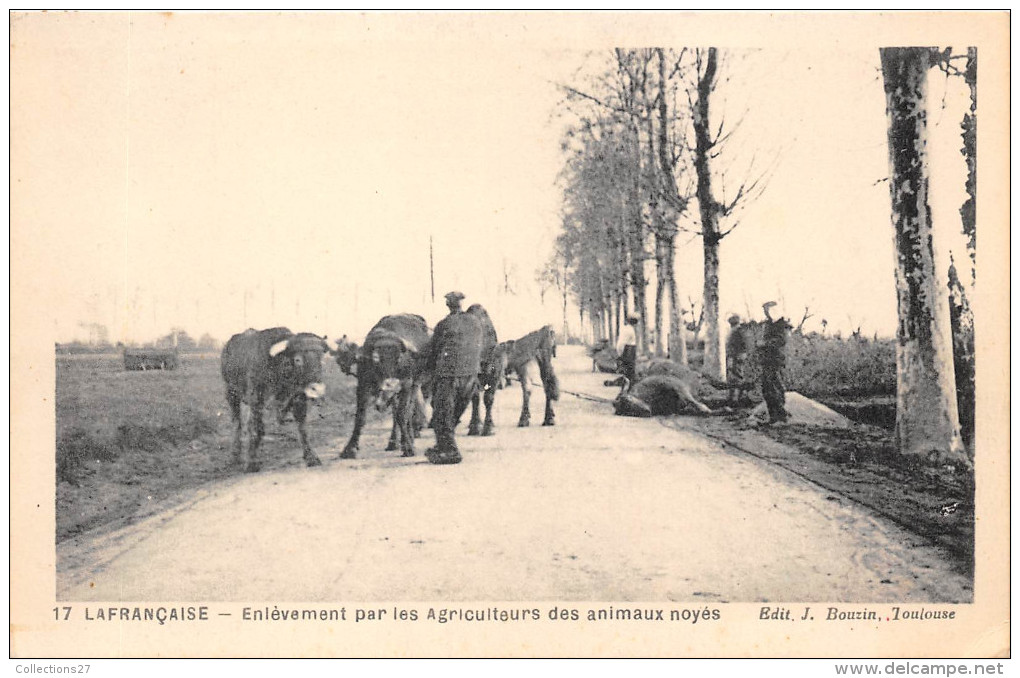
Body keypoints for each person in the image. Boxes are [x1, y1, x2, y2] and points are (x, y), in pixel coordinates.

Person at [423, 291, 483, 465]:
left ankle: (450, 451)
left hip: (449, 374)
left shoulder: (444, 324)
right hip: (470, 375)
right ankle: (443, 445)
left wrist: (429, 370)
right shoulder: (475, 322)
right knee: (455, 412)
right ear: (461, 304)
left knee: (442, 412)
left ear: (448, 305)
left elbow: (433, 350)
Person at [759, 301, 791, 424]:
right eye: (764, 310)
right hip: (767, 360)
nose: (766, 313)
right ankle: (773, 417)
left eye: (767, 310)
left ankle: (781, 417)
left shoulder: (781, 324)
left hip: (775, 360)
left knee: (775, 387)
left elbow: (781, 340)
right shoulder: (768, 324)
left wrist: (765, 344)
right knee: (766, 388)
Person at [725, 314, 749, 406]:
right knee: (735, 377)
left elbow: (740, 346)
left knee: (736, 377)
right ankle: (734, 398)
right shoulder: (737, 331)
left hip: (736, 357)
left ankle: (736, 399)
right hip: (736, 357)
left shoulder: (737, 332)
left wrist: (735, 357)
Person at [616, 314, 639, 389]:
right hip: (628, 352)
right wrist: (620, 354)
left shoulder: (629, 329)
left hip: (629, 351)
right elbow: (621, 344)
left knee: (629, 373)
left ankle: (627, 390)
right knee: (629, 373)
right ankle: (626, 391)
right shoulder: (628, 330)